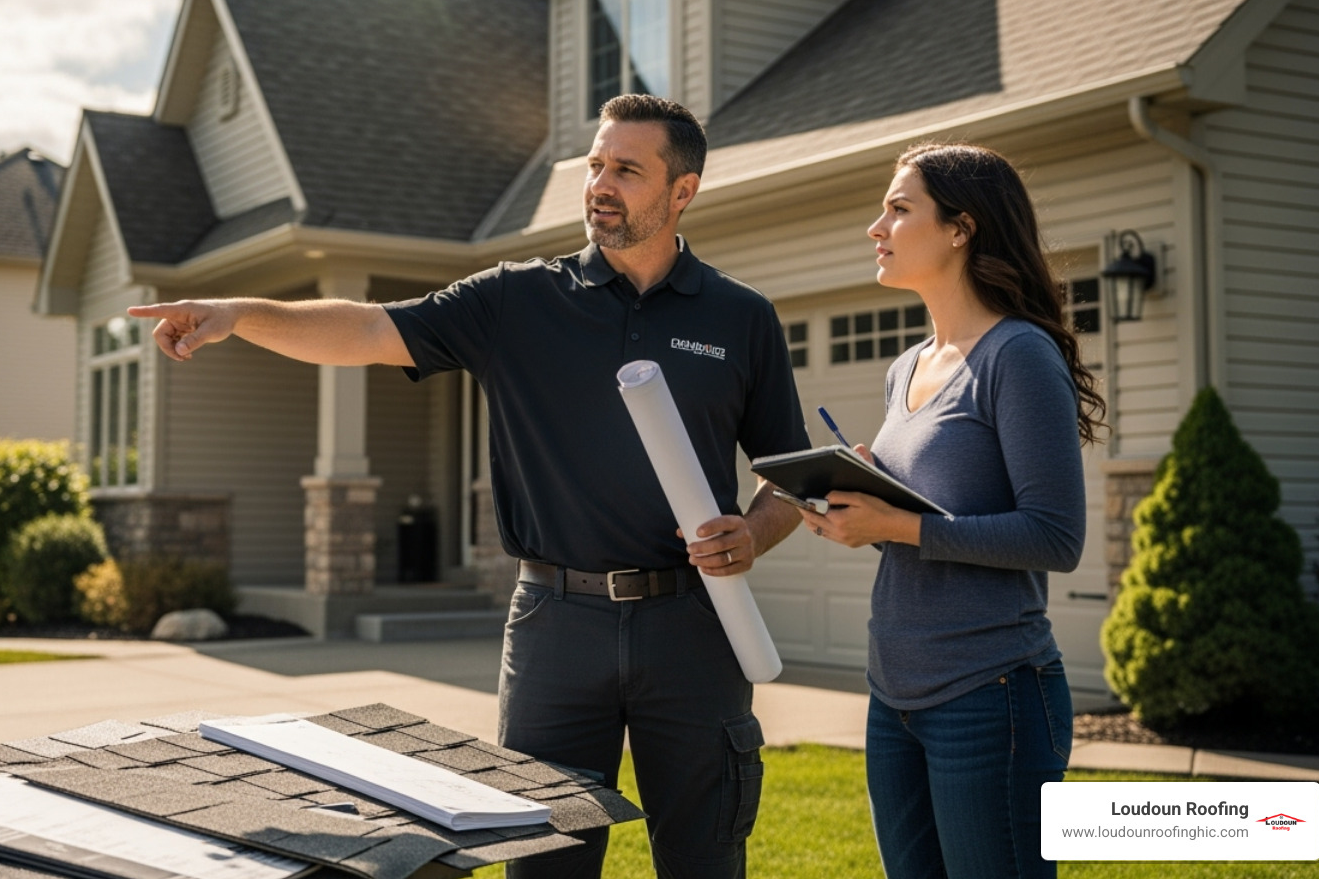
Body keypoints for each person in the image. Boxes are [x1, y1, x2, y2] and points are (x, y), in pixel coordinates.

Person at [130, 93, 810, 879]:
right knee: (543, 861)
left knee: (706, 858)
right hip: (558, 626)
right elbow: (365, 327)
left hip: (695, 624)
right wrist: (237, 312)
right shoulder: (515, 300)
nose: (600, 183)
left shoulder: (740, 317)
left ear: (681, 191)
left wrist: (753, 532)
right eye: (595, 164)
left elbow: (785, 476)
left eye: (626, 169)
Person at [795, 143, 1103, 879]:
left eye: (899, 209)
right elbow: (932, 532)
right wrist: (864, 508)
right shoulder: (909, 364)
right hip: (893, 693)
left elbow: (1056, 537)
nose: (878, 227)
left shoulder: (1018, 355)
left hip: (990, 692)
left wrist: (895, 523)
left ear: (961, 228)